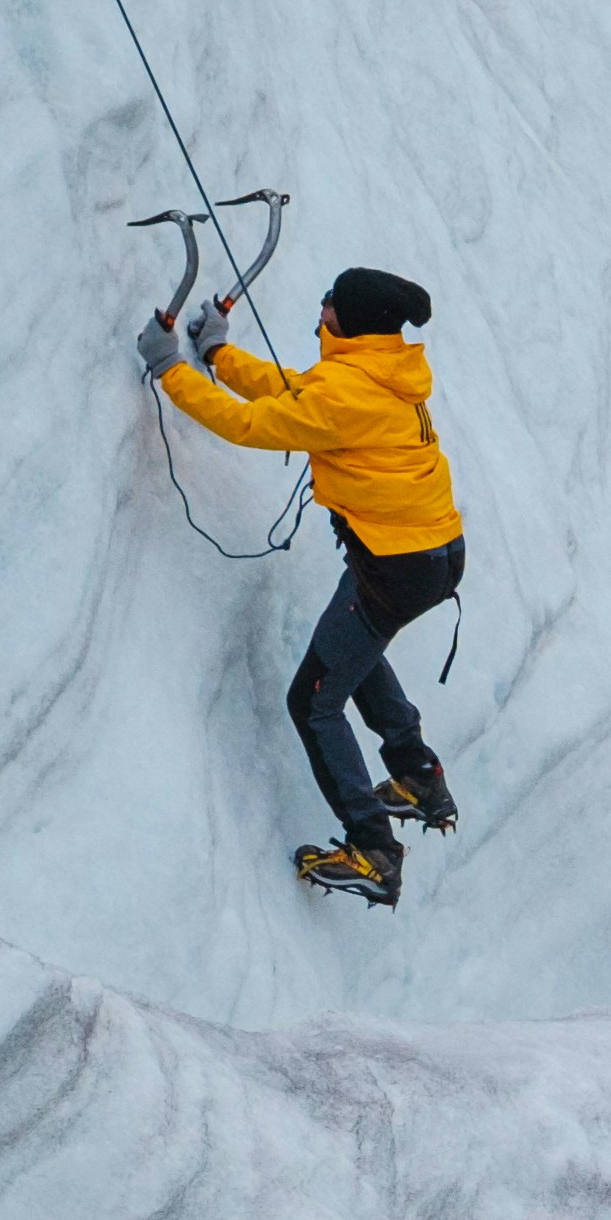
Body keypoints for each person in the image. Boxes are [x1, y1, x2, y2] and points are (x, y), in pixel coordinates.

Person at [153, 265, 466, 907]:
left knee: (314, 701)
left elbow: (254, 426)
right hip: (430, 555)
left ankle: (374, 849)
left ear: (352, 321)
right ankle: (415, 775)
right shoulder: (378, 371)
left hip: (395, 570)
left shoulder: (351, 391)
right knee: (352, 651)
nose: (322, 306)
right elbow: (295, 391)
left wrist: (171, 372)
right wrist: (218, 354)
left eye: (332, 302)